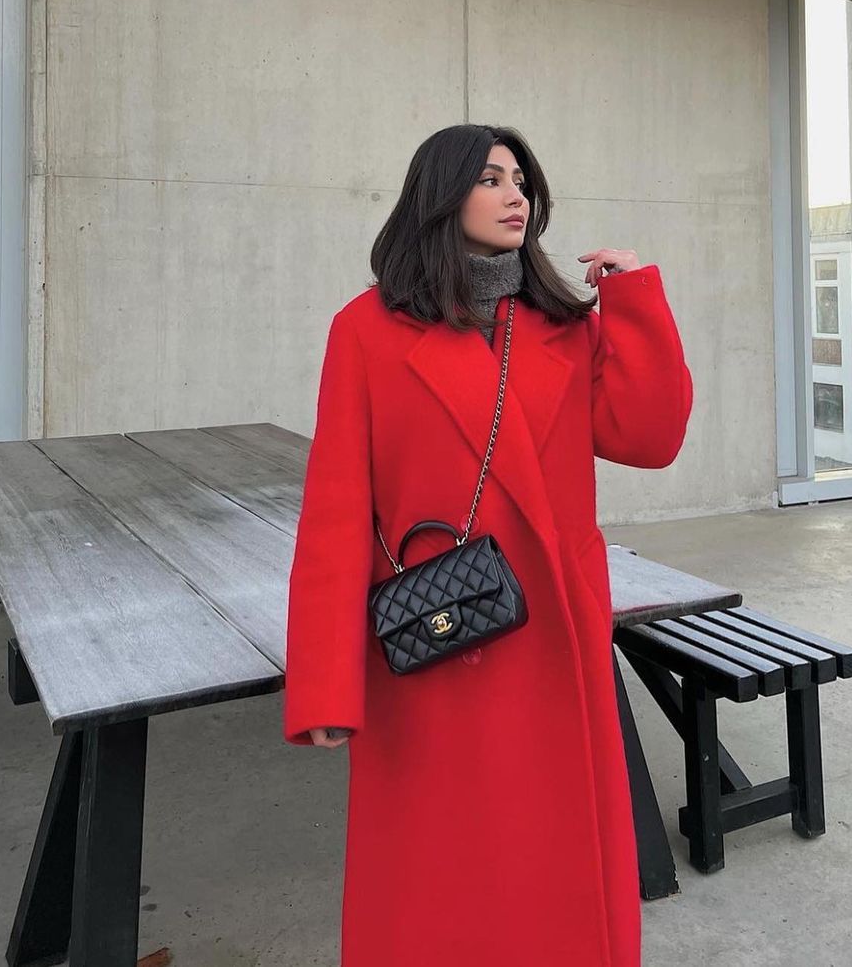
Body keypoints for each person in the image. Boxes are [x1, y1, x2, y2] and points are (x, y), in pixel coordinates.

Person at [283, 122, 693, 967]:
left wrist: (635, 302)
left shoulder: (563, 326)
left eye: (522, 182)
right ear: (441, 195)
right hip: (435, 638)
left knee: (553, 873)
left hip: (551, 630)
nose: (517, 197)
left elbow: (650, 439)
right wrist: (324, 685)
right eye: (492, 179)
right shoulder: (366, 331)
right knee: (440, 881)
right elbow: (334, 512)